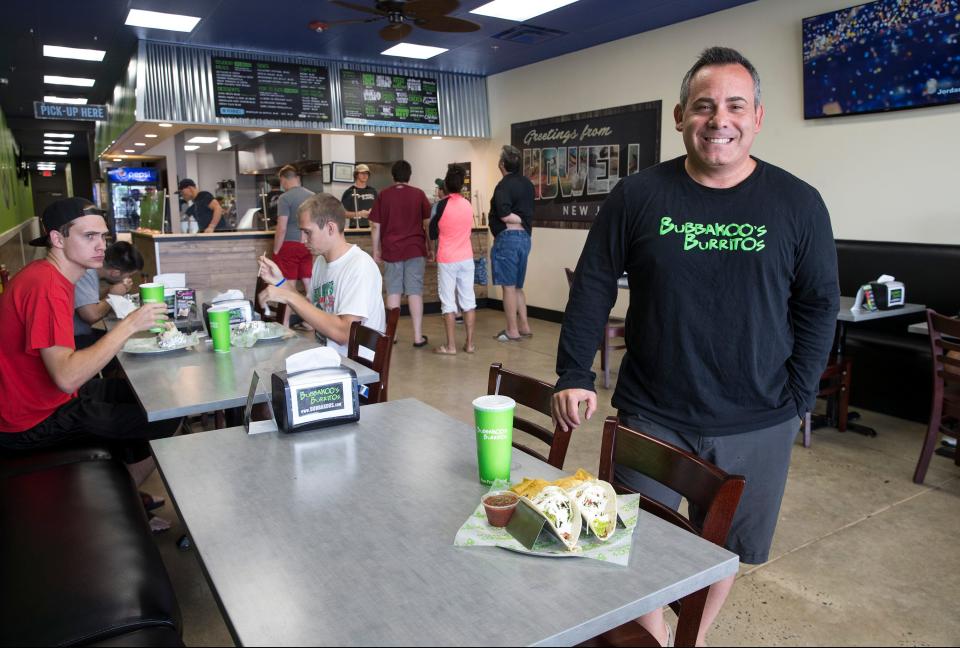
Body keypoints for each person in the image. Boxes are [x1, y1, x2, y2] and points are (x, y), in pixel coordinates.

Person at [552, 47, 839, 647]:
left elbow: (818, 305)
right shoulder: (637, 196)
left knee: (725, 549)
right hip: (655, 410)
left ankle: (693, 639)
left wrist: (798, 396)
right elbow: (594, 286)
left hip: (758, 416)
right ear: (681, 115)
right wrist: (573, 371)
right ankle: (656, 639)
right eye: (704, 106)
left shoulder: (798, 203)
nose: (719, 119)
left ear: (758, 116)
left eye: (735, 106)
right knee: (632, 541)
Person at [0, 198, 180, 490]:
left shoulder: (49, 277)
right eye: (89, 236)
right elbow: (66, 378)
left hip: (42, 401)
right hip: (28, 422)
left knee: (154, 397)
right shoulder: (46, 287)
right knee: (165, 417)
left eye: (103, 237)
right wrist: (130, 324)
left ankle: (125, 497)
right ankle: (127, 501)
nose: (101, 246)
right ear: (58, 239)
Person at [257, 193, 386, 357]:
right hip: (328, 359)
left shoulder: (359, 266)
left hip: (355, 371)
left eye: (308, 232)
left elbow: (345, 334)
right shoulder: (320, 262)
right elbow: (312, 309)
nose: (302, 240)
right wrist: (281, 282)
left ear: (330, 228)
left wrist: (289, 296)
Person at [369, 159, 432, 347]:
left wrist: (375, 250)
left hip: (391, 250)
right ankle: (418, 337)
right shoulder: (419, 194)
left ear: (393, 176)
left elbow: (375, 225)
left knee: (393, 291)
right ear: (409, 176)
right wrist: (431, 247)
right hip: (415, 248)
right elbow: (427, 225)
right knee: (415, 292)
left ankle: (392, 335)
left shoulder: (383, 195)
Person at [489, 145, 534, 342]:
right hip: (525, 239)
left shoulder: (503, 185)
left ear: (501, 164)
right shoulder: (528, 184)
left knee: (508, 286)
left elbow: (504, 214)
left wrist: (516, 219)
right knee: (517, 287)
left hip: (508, 239)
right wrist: (523, 220)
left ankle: (512, 330)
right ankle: (524, 326)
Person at [431, 165, 477, 355]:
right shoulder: (468, 205)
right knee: (469, 300)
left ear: (447, 186)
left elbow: (433, 232)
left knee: (448, 302)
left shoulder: (441, 205)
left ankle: (451, 346)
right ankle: (470, 344)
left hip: (447, 258)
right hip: (466, 257)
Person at [73, 241, 144, 349]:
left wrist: (109, 291)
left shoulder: (91, 270)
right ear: (115, 272)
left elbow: (90, 300)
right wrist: (113, 296)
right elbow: (91, 316)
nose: (129, 279)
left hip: (81, 335)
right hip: (75, 340)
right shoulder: (86, 273)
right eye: (129, 275)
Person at [272, 165, 315, 327]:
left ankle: (284, 323)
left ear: (284, 179)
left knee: (288, 286)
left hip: (289, 244)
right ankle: (311, 321)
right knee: (308, 283)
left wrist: (276, 250)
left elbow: (281, 227)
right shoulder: (312, 196)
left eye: (282, 181)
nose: (282, 185)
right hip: (307, 244)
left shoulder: (285, 198)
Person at [341, 163, 377, 227]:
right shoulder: (349, 192)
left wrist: (374, 211)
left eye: (366, 173)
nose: (365, 175)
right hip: (356, 229)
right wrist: (359, 214)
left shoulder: (373, 191)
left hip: (372, 227)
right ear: (356, 175)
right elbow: (342, 213)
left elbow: (380, 209)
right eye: (362, 173)